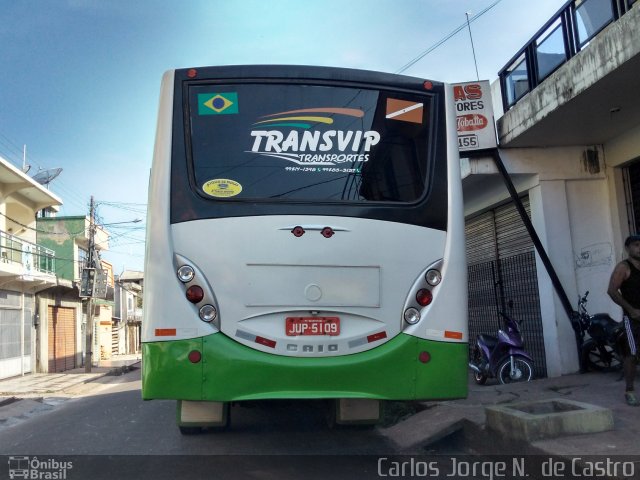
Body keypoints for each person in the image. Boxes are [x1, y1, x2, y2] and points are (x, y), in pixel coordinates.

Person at [607, 234, 640, 406]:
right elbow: (612, 291)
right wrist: (631, 310)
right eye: (636, 245)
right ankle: (629, 391)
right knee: (631, 354)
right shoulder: (623, 267)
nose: (639, 248)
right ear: (628, 248)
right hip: (632, 319)